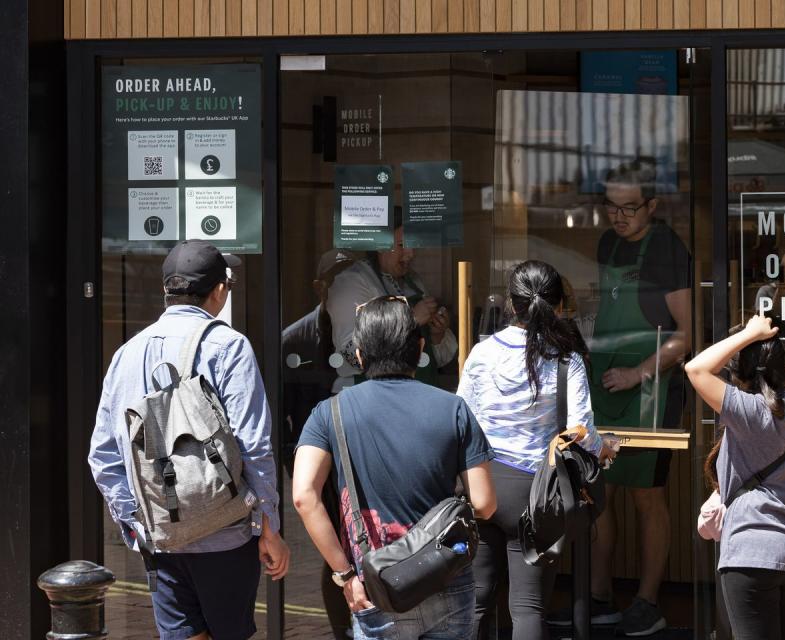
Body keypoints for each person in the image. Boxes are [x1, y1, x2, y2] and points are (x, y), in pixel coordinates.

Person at [88, 240, 290, 640]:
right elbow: (254, 444)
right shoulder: (230, 347)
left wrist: (137, 524)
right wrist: (268, 524)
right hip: (225, 533)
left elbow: (103, 455)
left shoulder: (127, 354)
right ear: (217, 291)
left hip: (162, 539)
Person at [292, 296, 497, 640]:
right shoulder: (454, 409)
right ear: (419, 348)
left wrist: (345, 575)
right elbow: (485, 504)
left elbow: (303, 497)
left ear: (359, 355)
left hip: (376, 585)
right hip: (446, 577)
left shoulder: (329, 413)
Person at [560, 159, 691, 634]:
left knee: (647, 499)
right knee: (598, 494)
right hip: (605, 388)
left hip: (651, 393)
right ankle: (599, 596)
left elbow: (686, 334)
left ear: (652, 206)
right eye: (611, 207)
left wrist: (637, 372)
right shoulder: (607, 243)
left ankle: (648, 602)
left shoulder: (667, 248)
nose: (618, 217)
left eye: (629, 208)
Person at [458, 260, 613, 640]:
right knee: (528, 608)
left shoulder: (481, 353)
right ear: (558, 306)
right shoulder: (566, 359)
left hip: (484, 483)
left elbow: (461, 418)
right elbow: (580, 431)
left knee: (477, 599)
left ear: (512, 305)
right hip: (536, 491)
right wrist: (604, 448)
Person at [684, 314, 785, 640]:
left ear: (739, 370)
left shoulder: (746, 410)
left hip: (750, 552)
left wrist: (749, 333)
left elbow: (695, 368)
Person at [281, 248, 356, 640]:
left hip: (362, 457)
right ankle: (342, 630)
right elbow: (284, 423)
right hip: (320, 467)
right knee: (337, 554)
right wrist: (301, 472)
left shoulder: (369, 334)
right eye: (337, 282)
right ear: (320, 288)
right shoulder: (293, 339)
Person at [326, 213, 456, 392]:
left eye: (413, 245)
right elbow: (352, 354)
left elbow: (435, 358)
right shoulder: (352, 283)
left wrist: (436, 334)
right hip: (368, 396)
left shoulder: (414, 282)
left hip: (418, 395)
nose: (411, 254)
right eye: (402, 245)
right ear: (380, 245)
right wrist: (411, 320)